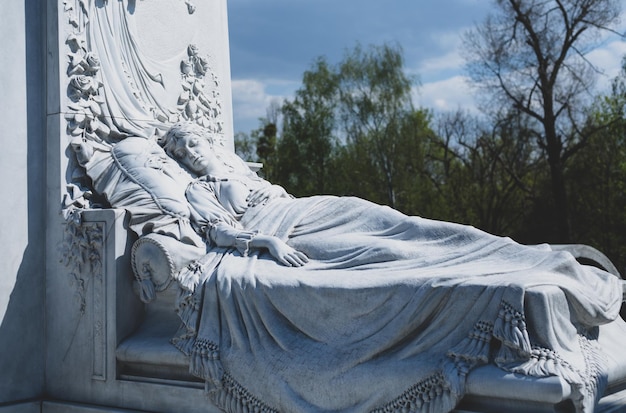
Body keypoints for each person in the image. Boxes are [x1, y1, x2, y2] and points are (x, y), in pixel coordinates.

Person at [160, 121, 624, 413]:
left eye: (196, 142)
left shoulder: (244, 173)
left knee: (411, 229)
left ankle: (522, 257)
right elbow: (219, 232)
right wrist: (267, 244)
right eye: (184, 150)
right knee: (399, 262)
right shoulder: (199, 191)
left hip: (317, 210)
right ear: (179, 160)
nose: (193, 151)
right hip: (282, 236)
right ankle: (499, 285)